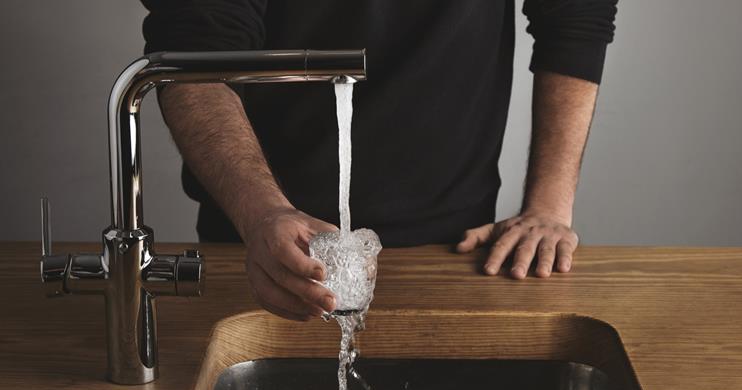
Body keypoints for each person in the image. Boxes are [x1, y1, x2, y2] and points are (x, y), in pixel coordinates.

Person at [141, 0, 618, 320]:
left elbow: (575, 19)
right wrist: (263, 213)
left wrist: (549, 207)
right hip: (263, 253)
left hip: (457, 256)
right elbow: (193, 56)